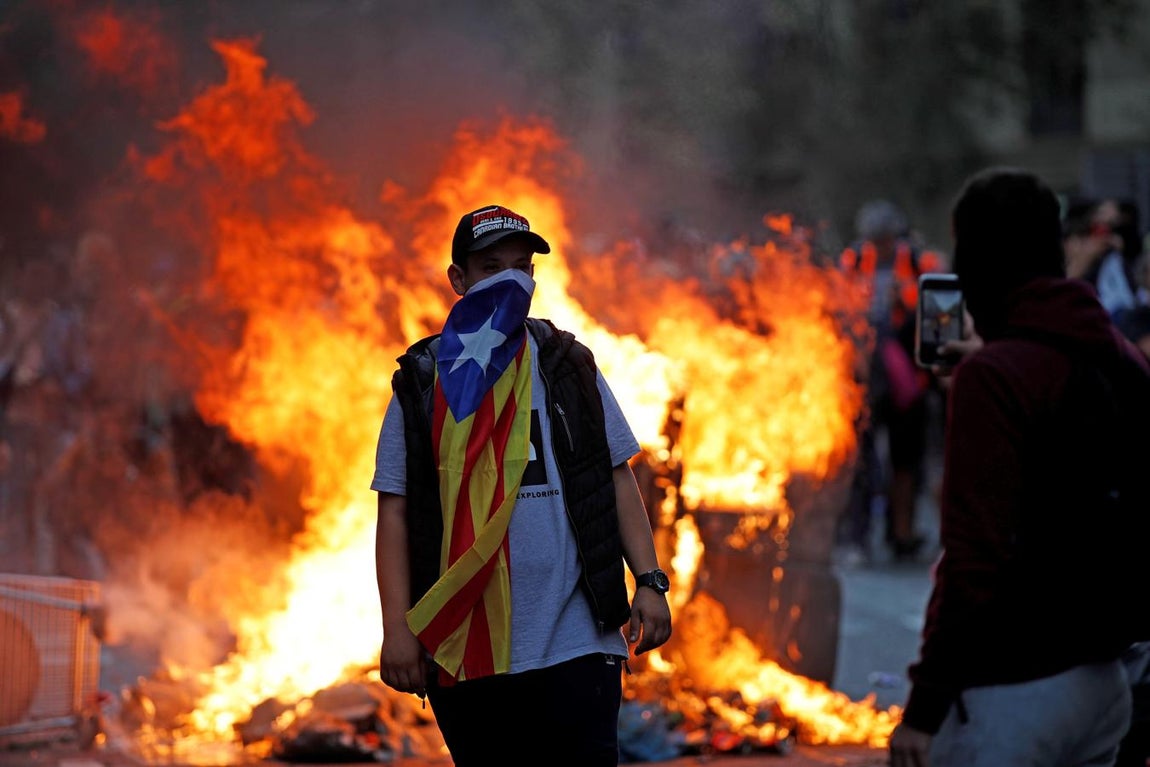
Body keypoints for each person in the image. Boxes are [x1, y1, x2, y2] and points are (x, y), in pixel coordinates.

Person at [372, 204, 672, 767]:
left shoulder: (567, 365)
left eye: (522, 267)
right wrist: (397, 631)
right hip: (467, 645)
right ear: (458, 280)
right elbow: (395, 511)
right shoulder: (423, 379)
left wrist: (650, 581)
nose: (511, 280)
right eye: (491, 267)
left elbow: (615, 474)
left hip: (579, 640)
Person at [890, 167, 1150, 767]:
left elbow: (974, 558)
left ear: (977, 253)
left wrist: (924, 709)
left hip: (1014, 689)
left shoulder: (996, 378)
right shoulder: (1119, 357)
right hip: (1105, 682)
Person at [836, 200, 945, 564]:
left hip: (908, 381)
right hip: (864, 378)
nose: (879, 246)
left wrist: (907, 301)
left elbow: (938, 315)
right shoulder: (851, 262)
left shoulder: (920, 263)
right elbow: (836, 310)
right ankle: (858, 538)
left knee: (906, 463)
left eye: (884, 239)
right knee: (861, 465)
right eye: (874, 239)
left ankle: (902, 535)